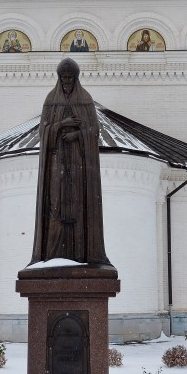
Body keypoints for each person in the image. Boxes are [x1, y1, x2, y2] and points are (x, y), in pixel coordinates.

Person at [30, 58, 111, 266]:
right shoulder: (51, 100)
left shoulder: (85, 99)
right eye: (63, 78)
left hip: (78, 165)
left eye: (70, 78)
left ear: (76, 79)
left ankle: (79, 252)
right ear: (59, 78)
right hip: (57, 164)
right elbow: (43, 132)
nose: (66, 82)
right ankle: (53, 254)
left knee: (77, 205)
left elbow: (94, 131)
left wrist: (77, 135)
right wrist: (60, 126)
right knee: (55, 205)